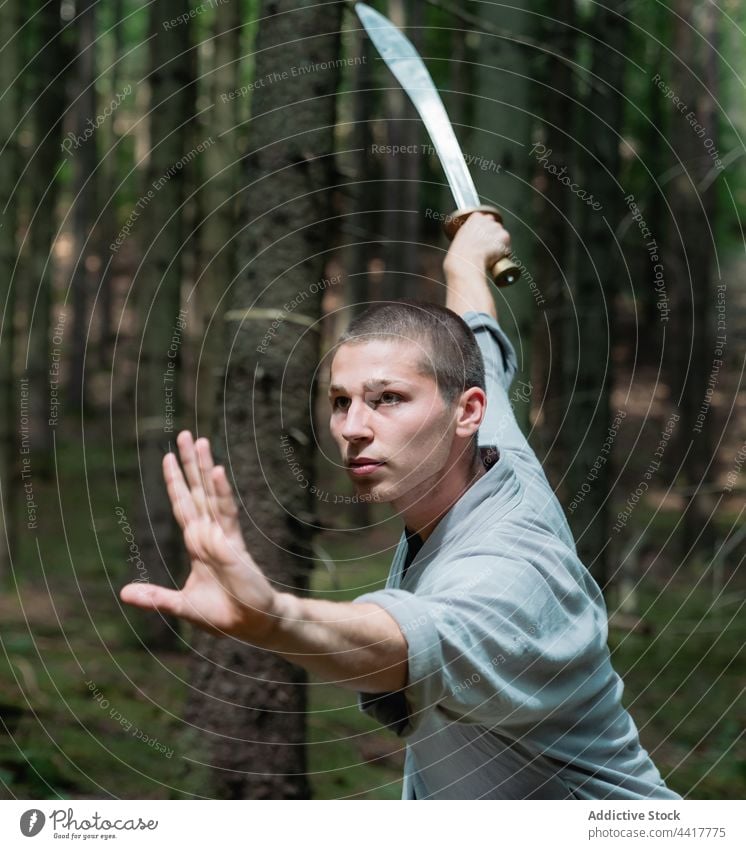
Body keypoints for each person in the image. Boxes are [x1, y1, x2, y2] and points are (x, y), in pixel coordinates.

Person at [120, 214, 680, 800]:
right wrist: (463, 263)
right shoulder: (488, 445)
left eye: (388, 399)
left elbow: (402, 642)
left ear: (467, 412)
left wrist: (275, 619)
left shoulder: (513, 573)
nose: (353, 428)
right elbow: (478, 342)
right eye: (341, 401)